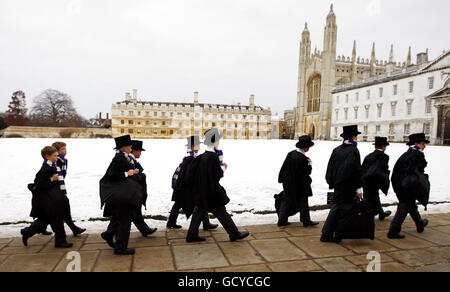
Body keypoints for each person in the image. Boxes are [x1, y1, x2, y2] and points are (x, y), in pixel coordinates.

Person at [186, 128, 249, 242]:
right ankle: (234, 234)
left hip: (202, 191)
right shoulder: (213, 157)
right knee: (222, 213)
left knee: (198, 213)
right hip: (211, 191)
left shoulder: (202, 156)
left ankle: (191, 235)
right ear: (214, 141)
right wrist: (223, 168)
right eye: (218, 140)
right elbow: (217, 175)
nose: (219, 142)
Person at [21, 146, 73, 248]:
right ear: (47, 156)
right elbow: (40, 185)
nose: (57, 157)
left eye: (57, 155)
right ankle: (60, 241)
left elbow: (62, 163)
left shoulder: (53, 165)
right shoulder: (45, 169)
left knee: (46, 220)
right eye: (54, 156)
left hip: (52, 199)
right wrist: (51, 179)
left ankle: (28, 232)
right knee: (54, 219)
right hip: (48, 200)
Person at [99, 135, 143, 255]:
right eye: (129, 146)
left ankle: (109, 235)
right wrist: (127, 173)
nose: (131, 148)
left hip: (122, 195)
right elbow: (111, 175)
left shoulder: (123, 157)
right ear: (124, 147)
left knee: (120, 218)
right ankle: (120, 247)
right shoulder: (119, 158)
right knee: (125, 222)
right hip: (121, 196)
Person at [321, 125, 363, 243]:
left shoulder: (337, 149)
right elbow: (355, 170)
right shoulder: (354, 150)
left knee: (339, 208)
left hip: (338, 184)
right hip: (348, 186)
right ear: (354, 137)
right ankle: (327, 234)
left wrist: (332, 181)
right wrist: (358, 188)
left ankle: (337, 233)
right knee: (339, 209)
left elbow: (330, 168)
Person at [167, 136, 218, 231]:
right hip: (184, 187)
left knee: (182, 204)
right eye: (197, 145)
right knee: (197, 203)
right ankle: (205, 224)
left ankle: (172, 222)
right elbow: (188, 175)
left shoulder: (190, 156)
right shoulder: (190, 158)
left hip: (182, 187)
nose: (199, 146)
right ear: (192, 146)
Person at [388, 133, 430, 239]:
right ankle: (393, 231)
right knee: (404, 207)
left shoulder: (407, 154)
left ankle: (420, 223)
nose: (424, 146)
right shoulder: (418, 155)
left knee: (410, 205)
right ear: (416, 144)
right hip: (407, 186)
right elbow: (418, 171)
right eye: (423, 144)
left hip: (399, 184)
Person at [39, 142, 86, 237]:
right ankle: (68, 231)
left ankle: (71, 229)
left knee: (55, 211)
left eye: (65, 149)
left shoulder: (62, 160)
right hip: (54, 189)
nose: (65, 151)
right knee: (60, 209)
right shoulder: (56, 161)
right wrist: (53, 181)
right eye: (63, 149)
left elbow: (62, 175)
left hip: (57, 187)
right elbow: (49, 176)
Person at [277, 135, 319, 227]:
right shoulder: (303, 159)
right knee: (303, 201)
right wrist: (310, 164)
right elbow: (306, 173)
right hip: (299, 184)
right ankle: (306, 221)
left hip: (288, 183)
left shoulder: (291, 153)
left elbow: (284, 167)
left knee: (286, 201)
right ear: (306, 148)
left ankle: (281, 221)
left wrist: (280, 179)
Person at [128, 140, 157, 237]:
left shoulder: (132, 160)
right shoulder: (130, 160)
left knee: (134, 213)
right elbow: (131, 177)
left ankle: (145, 230)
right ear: (134, 151)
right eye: (139, 151)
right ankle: (110, 233)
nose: (140, 153)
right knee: (130, 213)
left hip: (133, 192)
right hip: (132, 192)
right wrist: (142, 176)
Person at [362, 137, 392, 220]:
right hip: (375, 181)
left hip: (366, 180)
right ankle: (367, 215)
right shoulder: (384, 156)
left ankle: (380, 213)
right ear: (383, 147)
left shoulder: (368, 156)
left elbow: (363, 168)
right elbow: (383, 170)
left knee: (372, 197)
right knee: (371, 198)